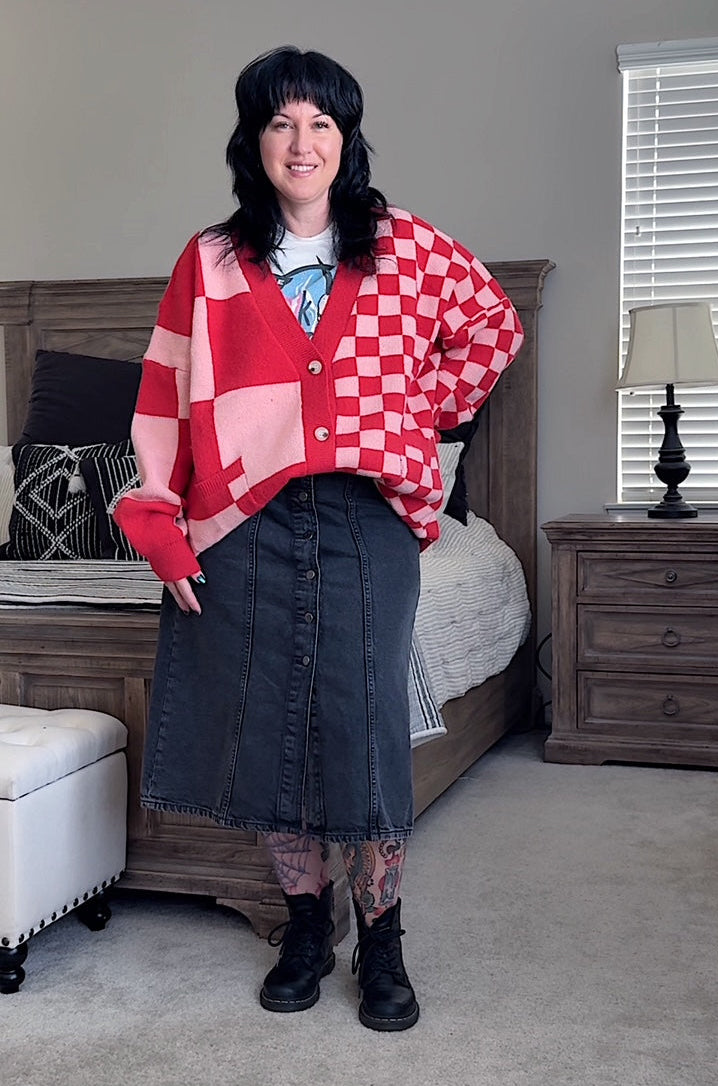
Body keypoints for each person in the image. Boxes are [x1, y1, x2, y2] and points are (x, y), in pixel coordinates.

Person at [114, 45, 524, 1032]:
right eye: (281, 123)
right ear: (253, 142)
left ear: (347, 139)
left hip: (365, 517)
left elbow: (491, 328)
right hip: (239, 522)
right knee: (266, 730)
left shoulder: (406, 247)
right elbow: (164, 402)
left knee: (364, 732)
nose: (301, 143)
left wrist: (409, 414)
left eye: (321, 124)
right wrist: (161, 529)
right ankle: (306, 925)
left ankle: (381, 939)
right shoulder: (209, 261)